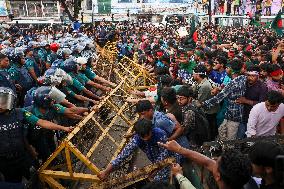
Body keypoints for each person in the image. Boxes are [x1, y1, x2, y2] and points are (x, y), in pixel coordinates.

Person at [0, 87, 72, 183]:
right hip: (5, 161)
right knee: (14, 183)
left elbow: (41, 122)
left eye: (3, 101)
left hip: (23, 156)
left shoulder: (20, 112)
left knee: (35, 178)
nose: (0, 105)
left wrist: (64, 128)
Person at [98, 119, 177, 181]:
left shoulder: (159, 134)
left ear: (151, 129)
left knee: (160, 179)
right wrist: (106, 171)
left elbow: (164, 153)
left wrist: (155, 169)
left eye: (147, 135)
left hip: (170, 159)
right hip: (156, 161)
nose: (146, 139)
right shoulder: (137, 137)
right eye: (143, 137)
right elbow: (124, 154)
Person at [158, 140, 252, 189]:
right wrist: (179, 149)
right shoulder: (242, 178)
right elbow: (207, 162)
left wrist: (178, 175)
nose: (213, 160)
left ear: (218, 176)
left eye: (216, 162)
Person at [235, 65, 268, 139]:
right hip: (241, 116)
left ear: (258, 76)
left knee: (249, 140)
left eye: (253, 76)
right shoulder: (243, 83)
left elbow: (262, 105)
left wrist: (245, 101)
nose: (250, 78)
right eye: (248, 75)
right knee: (239, 138)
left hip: (253, 119)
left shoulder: (262, 87)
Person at [193, 64, 219, 140]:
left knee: (209, 132)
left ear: (198, 75)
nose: (192, 75)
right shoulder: (204, 81)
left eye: (194, 74)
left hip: (209, 113)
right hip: (210, 110)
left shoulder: (204, 86)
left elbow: (199, 103)